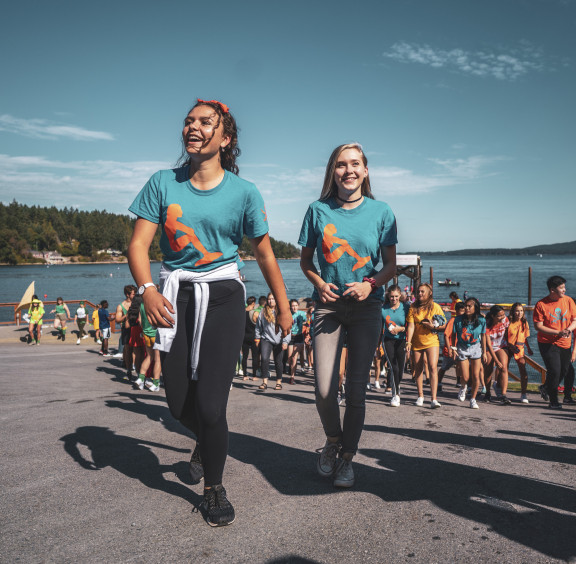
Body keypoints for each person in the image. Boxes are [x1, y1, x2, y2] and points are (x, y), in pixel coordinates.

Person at [127, 99, 291, 527]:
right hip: (174, 296)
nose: (193, 127)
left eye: (205, 122)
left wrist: (284, 306)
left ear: (226, 137)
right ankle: (203, 439)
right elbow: (138, 246)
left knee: (213, 406)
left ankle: (213, 487)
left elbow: (266, 254)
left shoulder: (244, 192)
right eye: (188, 121)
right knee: (179, 402)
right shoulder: (163, 183)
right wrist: (146, 290)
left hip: (223, 296)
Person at [299, 142, 397, 488]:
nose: (349, 170)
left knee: (357, 390)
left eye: (355, 164)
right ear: (332, 171)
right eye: (341, 165)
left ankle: (347, 458)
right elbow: (306, 261)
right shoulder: (317, 210)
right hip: (328, 305)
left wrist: (371, 285)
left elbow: (391, 266)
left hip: (367, 307)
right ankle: (333, 440)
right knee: (324, 388)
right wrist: (318, 283)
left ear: (366, 171)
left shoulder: (382, 211)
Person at [533, 275, 576, 409]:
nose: (565, 290)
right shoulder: (541, 304)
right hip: (547, 343)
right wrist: (557, 332)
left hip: (565, 343)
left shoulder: (569, 301)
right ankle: (553, 400)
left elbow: (575, 320)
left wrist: (568, 330)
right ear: (552, 290)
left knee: (564, 370)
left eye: (564, 287)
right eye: (561, 287)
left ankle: (545, 388)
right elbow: (538, 326)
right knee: (555, 371)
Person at [405, 283, 447, 408]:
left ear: (429, 293)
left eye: (423, 291)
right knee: (417, 368)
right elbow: (411, 326)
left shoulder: (435, 307)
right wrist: (409, 341)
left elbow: (444, 325)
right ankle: (420, 396)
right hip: (417, 341)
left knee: (433, 367)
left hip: (431, 340)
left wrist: (433, 326)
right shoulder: (413, 307)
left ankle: (434, 399)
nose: (420, 294)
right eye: (418, 291)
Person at [452, 298, 487, 409]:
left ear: (475, 308)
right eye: (465, 306)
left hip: (476, 347)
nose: (466, 308)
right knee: (466, 377)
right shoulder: (458, 320)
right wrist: (453, 348)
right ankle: (463, 386)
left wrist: (485, 352)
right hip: (462, 348)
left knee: (476, 376)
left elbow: (484, 336)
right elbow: (453, 334)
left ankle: (473, 399)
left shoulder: (481, 320)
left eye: (469, 306)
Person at [382, 284, 410, 407]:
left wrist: (401, 329)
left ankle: (396, 388)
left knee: (400, 368)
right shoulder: (383, 309)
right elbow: (378, 327)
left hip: (402, 340)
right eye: (391, 296)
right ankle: (395, 394)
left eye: (396, 296)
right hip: (388, 340)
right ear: (388, 296)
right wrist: (377, 346)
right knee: (393, 367)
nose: (394, 299)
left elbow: (410, 326)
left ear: (400, 296)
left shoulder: (406, 307)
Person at [254, 293, 291, 390]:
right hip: (266, 339)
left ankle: (278, 382)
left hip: (280, 340)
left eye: (273, 299)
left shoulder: (282, 312)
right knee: (265, 359)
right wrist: (257, 338)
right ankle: (264, 382)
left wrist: (285, 341)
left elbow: (288, 327)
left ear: (276, 300)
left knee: (278, 362)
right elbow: (258, 326)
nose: (271, 301)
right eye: (269, 299)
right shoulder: (263, 312)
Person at [507, 302, 534, 404]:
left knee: (523, 370)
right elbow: (504, 336)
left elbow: (525, 337)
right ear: (513, 312)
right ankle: (499, 387)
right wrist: (510, 346)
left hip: (519, 349)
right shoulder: (509, 322)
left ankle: (523, 393)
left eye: (521, 311)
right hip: (508, 347)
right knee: (503, 368)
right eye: (517, 311)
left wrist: (529, 348)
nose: (519, 313)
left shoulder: (524, 323)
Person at [136, 291, 162, 391]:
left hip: (146, 334)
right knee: (158, 360)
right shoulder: (155, 305)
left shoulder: (142, 305)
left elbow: (139, 321)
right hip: (155, 334)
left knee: (149, 356)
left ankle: (141, 377)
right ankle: (156, 384)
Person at [438, 301, 466, 388]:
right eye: (461, 311)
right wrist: (449, 349)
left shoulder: (464, 321)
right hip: (450, 348)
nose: (463, 312)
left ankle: (461, 383)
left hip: (460, 348)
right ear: (456, 311)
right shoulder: (452, 321)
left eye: (464, 310)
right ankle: (438, 382)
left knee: (460, 366)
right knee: (444, 367)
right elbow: (446, 335)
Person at [115, 285, 137, 374]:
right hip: (126, 329)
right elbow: (117, 320)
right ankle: (129, 368)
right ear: (127, 294)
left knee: (136, 349)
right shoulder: (121, 306)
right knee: (128, 349)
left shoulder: (137, 303)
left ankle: (135, 366)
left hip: (136, 328)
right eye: (133, 294)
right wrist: (126, 315)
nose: (135, 295)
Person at [288, 299, 307, 384]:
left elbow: (307, 322)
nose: (294, 307)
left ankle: (292, 377)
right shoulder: (288, 315)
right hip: (290, 337)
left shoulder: (302, 314)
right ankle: (291, 369)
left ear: (298, 306)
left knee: (294, 357)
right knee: (289, 358)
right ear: (290, 307)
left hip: (299, 336)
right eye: (292, 306)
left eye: (296, 305)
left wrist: (307, 334)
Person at [241, 296, 258, 381]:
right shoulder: (255, 313)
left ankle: (245, 375)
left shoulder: (242, 312)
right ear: (253, 303)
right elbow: (258, 325)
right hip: (253, 336)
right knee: (255, 356)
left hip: (244, 336)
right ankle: (254, 376)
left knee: (245, 356)